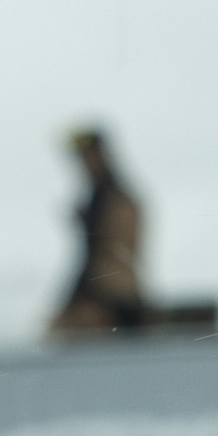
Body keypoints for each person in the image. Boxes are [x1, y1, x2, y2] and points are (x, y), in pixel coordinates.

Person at [49, 124, 147, 336]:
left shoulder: (118, 201)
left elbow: (116, 261)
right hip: (99, 295)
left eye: (86, 155)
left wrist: (88, 302)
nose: (82, 163)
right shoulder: (98, 199)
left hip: (113, 303)